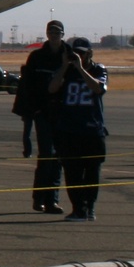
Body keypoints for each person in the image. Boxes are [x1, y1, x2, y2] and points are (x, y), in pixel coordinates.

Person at [51, 36, 108, 222]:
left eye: (82, 53)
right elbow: (52, 88)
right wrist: (65, 66)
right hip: (69, 129)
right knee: (72, 172)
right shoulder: (66, 71)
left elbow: (97, 88)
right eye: (76, 53)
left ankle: (89, 207)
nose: (79, 56)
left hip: (92, 129)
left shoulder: (99, 69)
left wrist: (81, 69)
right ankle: (78, 208)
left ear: (89, 53)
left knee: (92, 171)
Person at [14, 20, 69, 213]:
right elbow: (27, 86)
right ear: (47, 34)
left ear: (63, 34)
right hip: (43, 113)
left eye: (57, 32)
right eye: (51, 32)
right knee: (46, 155)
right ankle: (39, 198)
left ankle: (52, 199)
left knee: (59, 158)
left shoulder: (69, 55)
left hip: (63, 113)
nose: (54, 35)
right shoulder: (36, 57)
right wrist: (32, 111)